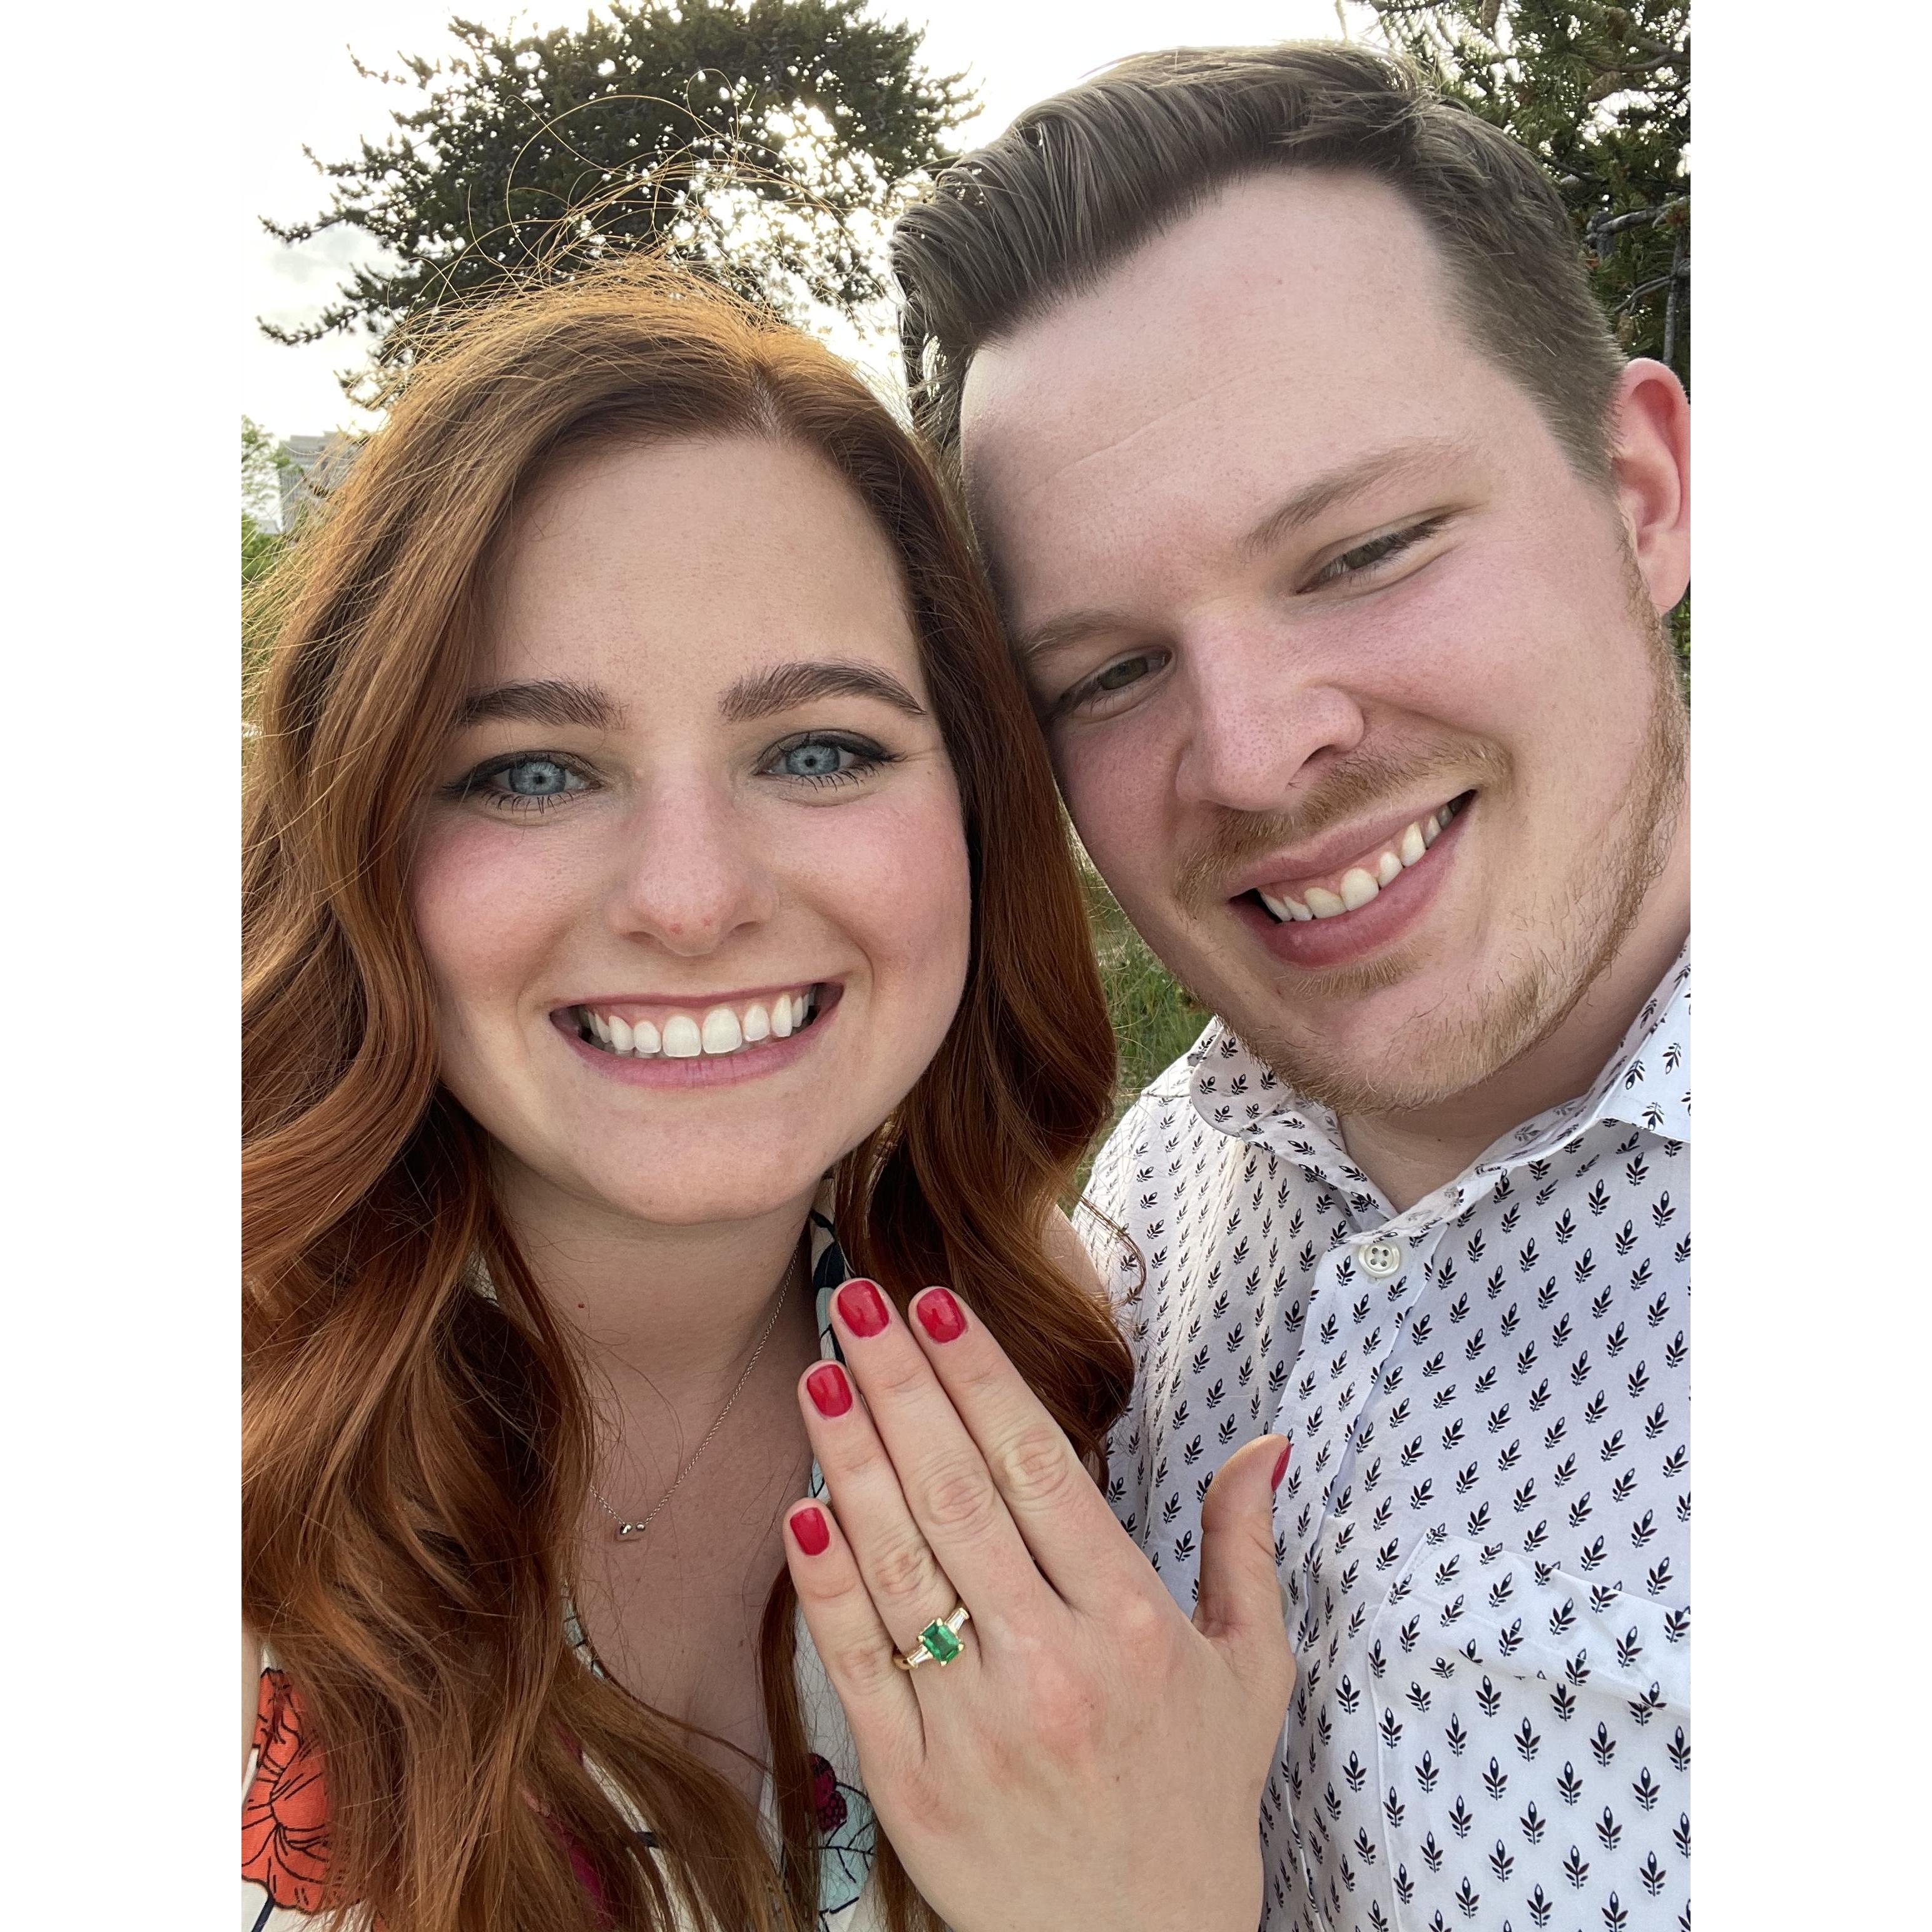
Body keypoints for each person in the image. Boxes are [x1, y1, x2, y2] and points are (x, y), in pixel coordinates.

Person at [240, 258, 1296, 1932]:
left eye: (817, 748)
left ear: (974, 811)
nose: (691, 897)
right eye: (531, 769)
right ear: (360, 821)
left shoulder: (1068, 1402)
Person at [890, 41, 1691, 1932]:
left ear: (1646, 493)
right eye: (1103, 673)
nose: (1251, 757)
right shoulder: (1163, 1193)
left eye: (1366, 551)